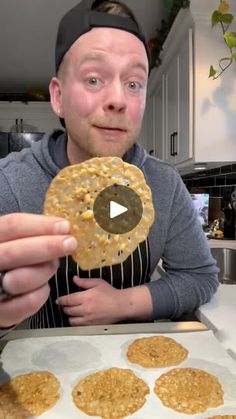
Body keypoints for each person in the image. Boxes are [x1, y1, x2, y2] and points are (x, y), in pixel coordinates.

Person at [0, 0, 219, 333]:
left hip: (137, 363)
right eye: (93, 79)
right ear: (58, 97)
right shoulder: (11, 182)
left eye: (134, 83)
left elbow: (201, 277)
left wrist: (124, 303)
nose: (118, 99)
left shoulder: (162, 184)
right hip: (43, 368)